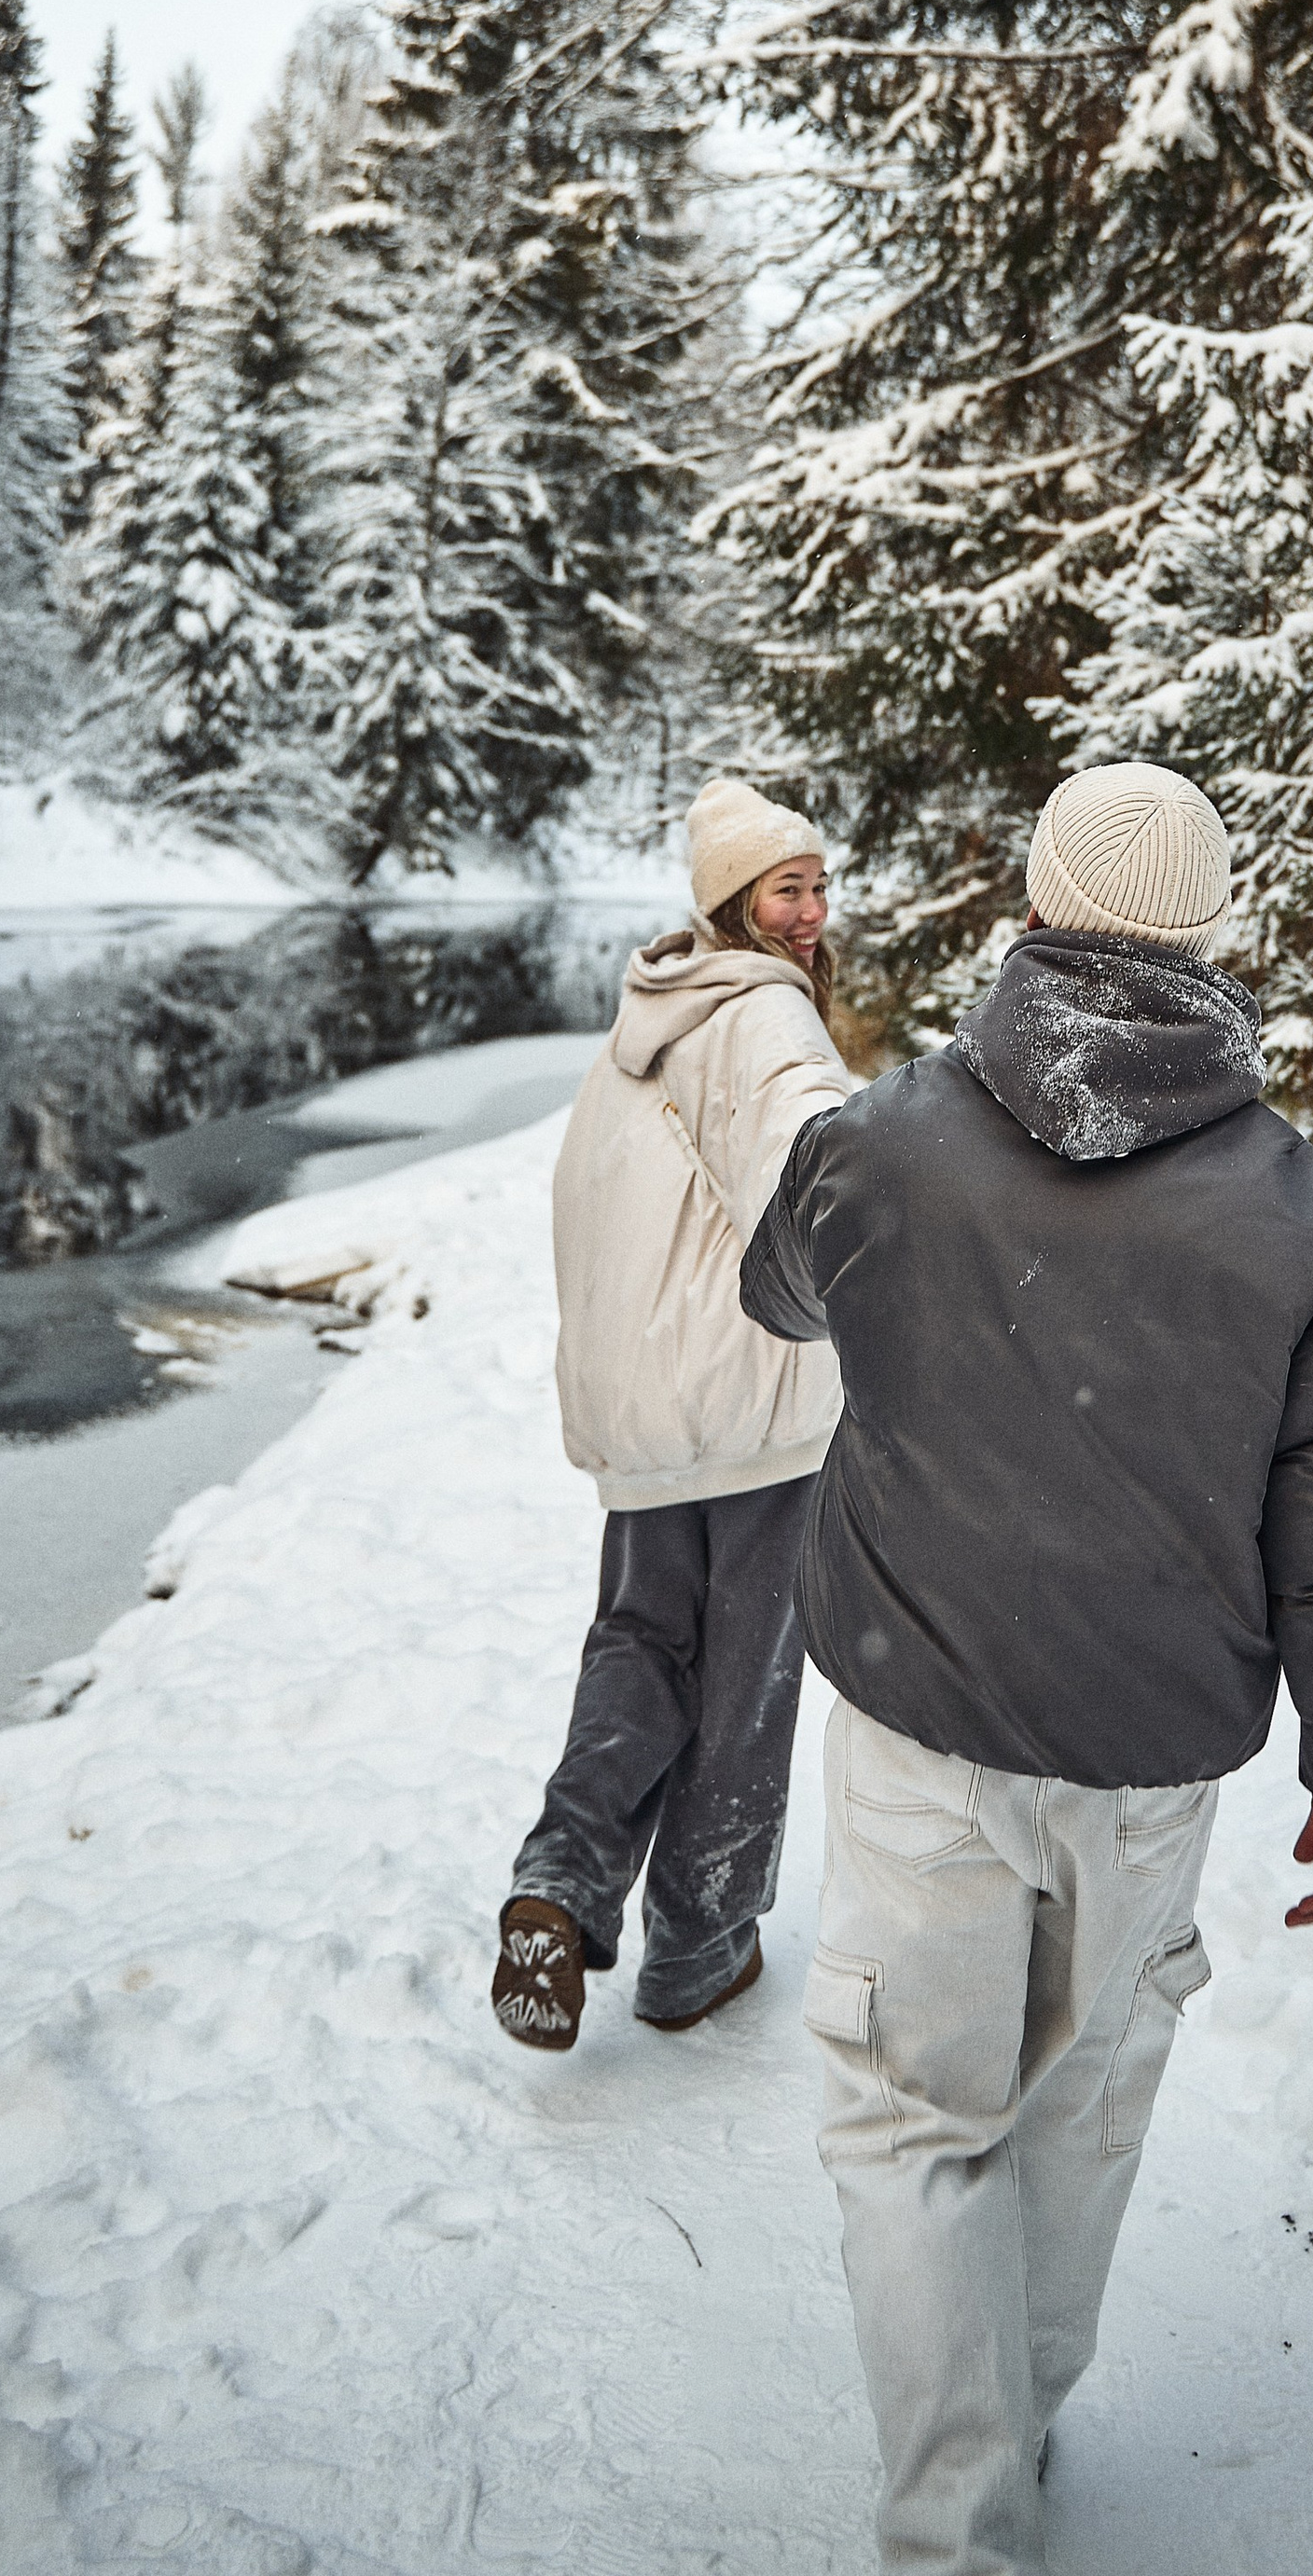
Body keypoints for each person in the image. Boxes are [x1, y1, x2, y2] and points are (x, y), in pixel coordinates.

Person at [739, 760, 1313, 2576]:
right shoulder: (1292, 1200)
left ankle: (960, 2523)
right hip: (1148, 1752)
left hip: (919, 1714)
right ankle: (1012, 2443)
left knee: (912, 2118)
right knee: (1082, 2101)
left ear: (1033, 905)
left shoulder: (885, 1139)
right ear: (1204, 935)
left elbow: (777, 1293)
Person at [491, 775, 852, 2048]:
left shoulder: (652, 1011)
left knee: (644, 1647)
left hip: (647, 1410)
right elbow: (822, 1170)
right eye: (785, 890)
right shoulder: (765, 1017)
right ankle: (698, 1949)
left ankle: (563, 1878)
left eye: (816, 884)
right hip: (754, 1405)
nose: (810, 912)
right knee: (747, 1680)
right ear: (733, 906)